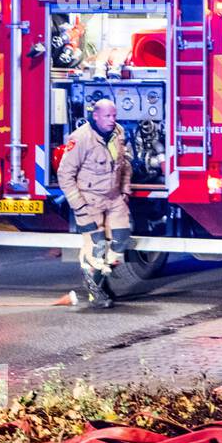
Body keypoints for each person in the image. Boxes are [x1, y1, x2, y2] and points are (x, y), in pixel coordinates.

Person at [57, 99, 132, 310]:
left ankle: (102, 281)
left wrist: (125, 189)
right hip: (89, 201)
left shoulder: (119, 133)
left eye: (114, 116)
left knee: (120, 240)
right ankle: (96, 291)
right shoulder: (80, 138)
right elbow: (65, 174)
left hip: (114, 197)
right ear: (96, 116)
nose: (112, 120)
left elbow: (124, 163)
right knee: (97, 246)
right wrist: (78, 206)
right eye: (107, 116)